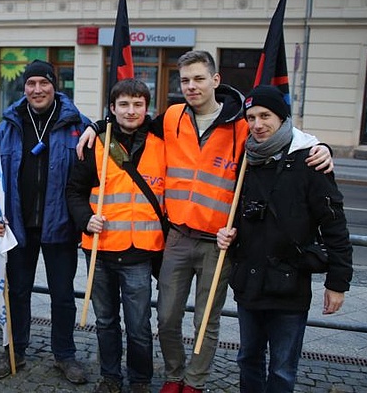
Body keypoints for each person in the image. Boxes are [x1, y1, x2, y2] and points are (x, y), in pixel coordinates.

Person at [76, 50, 333, 393]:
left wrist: (320, 145)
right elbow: (126, 122)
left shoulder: (242, 123)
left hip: (219, 241)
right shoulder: (171, 117)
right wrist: (96, 127)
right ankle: (173, 375)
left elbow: (280, 134)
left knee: (205, 321)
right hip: (178, 237)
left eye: (198, 78)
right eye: (185, 80)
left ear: (215, 80)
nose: (191, 86)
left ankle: (194, 383)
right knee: (166, 317)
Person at [216, 85, 353, 392]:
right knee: (248, 358)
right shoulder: (246, 160)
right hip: (250, 281)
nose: (257, 124)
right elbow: (239, 214)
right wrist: (228, 234)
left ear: (281, 117)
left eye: (265, 116)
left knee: (282, 368)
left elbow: (334, 226)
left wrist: (337, 283)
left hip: (289, 283)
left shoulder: (310, 161)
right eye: (251, 117)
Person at [0, 59, 89, 384]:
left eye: (43, 83)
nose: (37, 89)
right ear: (24, 87)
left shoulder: (77, 124)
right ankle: (14, 350)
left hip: (61, 226)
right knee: (16, 293)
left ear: (54, 86)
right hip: (17, 226)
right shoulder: (7, 124)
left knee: (61, 295)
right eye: (31, 84)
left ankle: (65, 355)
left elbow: (93, 177)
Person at [66, 79, 163, 393]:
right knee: (106, 322)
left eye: (137, 104)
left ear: (147, 107)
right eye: (124, 104)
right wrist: (85, 219)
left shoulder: (162, 140)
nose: (131, 110)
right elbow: (74, 192)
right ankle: (110, 377)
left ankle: (140, 380)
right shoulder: (96, 143)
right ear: (112, 108)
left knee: (138, 326)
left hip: (140, 252)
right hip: (100, 248)